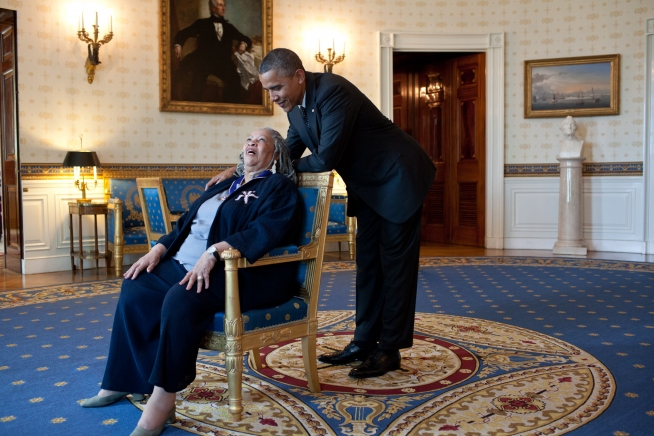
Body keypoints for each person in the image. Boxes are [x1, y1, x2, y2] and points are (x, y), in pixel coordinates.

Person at [206, 48, 436, 379]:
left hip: (399, 178)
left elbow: (324, 158)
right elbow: (285, 153)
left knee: (395, 268)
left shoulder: (333, 91)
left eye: (277, 88)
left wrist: (271, 169)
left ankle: (389, 351)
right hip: (369, 187)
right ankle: (363, 342)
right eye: (268, 90)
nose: (273, 97)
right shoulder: (296, 112)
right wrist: (239, 170)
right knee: (368, 265)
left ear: (299, 76)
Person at [81, 128, 301, 436]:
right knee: (136, 286)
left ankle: (162, 400)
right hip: (185, 263)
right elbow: (186, 222)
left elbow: (265, 230)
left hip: (238, 272)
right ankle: (122, 381)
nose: (251, 142)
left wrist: (214, 252)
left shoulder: (278, 187)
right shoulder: (226, 183)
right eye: (248, 139)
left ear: (275, 154)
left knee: (180, 298)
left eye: (261, 140)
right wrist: (158, 249)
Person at [173, 0, 252, 102]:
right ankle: (193, 107)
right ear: (212, 8)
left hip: (222, 63)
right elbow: (183, 33)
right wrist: (178, 45)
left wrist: (243, 43)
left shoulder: (229, 27)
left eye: (224, 5)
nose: (223, 8)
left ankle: (228, 107)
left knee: (234, 79)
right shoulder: (202, 23)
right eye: (220, 5)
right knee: (198, 79)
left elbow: (246, 38)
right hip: (203, 61)